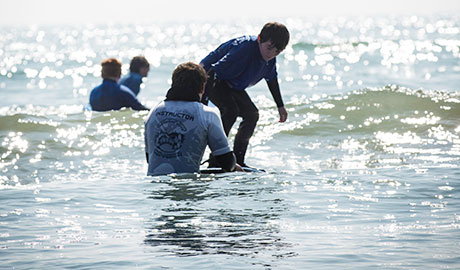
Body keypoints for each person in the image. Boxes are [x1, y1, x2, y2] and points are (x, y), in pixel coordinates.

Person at [200, 22, 290, 167]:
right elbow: (213, 71)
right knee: (231, 111)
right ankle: (216, 159)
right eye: (269, 48)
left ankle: (239, 160)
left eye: (277, 51)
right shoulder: (245, 48)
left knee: (252, 114)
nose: (271, 54)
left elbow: (272, 80)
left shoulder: (270, 59)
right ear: (260, 39)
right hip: (211, 78)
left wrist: (280, 106)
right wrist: (201, 103)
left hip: (231, 84)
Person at [144, 62, 242, 176]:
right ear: (203, 88)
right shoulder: (207, 114)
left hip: (155, 189)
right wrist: (234, 166)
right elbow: (226, 162)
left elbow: (150, 158)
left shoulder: (154, 112)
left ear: (173, 83)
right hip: (188, 188)